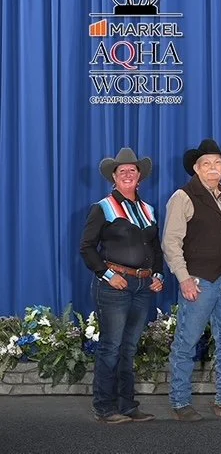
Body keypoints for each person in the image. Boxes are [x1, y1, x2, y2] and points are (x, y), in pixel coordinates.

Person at [162, 139, 221, 421]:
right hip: (199, 281)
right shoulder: (183, 197)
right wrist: (184, 278)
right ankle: (180, 402)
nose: (214, 168)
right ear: (197, 169)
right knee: (187, 342)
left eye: (218, 164)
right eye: (207, 164)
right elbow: (171, 242)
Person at [80, 148, 164, 424]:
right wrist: (106, 274)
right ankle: (104, 407)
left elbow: (155, 248)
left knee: (128, 347)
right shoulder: (102, 207)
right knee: (111, 346)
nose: (127, 174)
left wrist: (158, 275)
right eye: (122, 171)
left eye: (132, 170)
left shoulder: (148, 209)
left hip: (142, 285)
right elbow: (87, 248)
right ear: (113, 178)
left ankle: (128, 405)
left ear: (139, 177)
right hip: (115, 284)